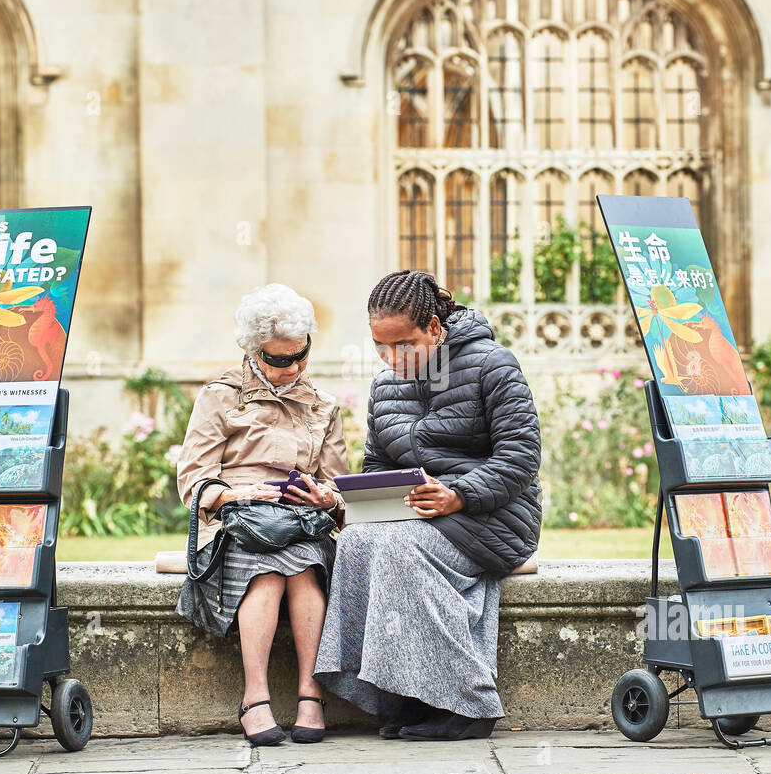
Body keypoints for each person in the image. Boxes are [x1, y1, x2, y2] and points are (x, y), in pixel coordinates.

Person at [314, 270, 542, 741]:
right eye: (380, 346)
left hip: (493, 517)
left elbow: (520, 456)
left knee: (400, 547)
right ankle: (399, 695)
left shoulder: (493, 366)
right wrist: (356, 501)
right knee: (356, 542)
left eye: (402, 345)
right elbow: (377, 462)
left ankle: (468, 705)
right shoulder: (385, 387)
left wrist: (459, 494)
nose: (390, 358)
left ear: (435, 329)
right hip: (416, 513)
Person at [174, 283, 346, 746]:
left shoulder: (324, 405)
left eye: (301, 355)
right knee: (269, 572)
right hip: (239, 525)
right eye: (279, 359)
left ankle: (311, 692)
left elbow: (339, 485)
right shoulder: (221, 396)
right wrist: (240, 494)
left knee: (306, 567)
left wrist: (324, 498)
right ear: (253, 352)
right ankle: (255, 698)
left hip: (301, 523)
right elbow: (193, 481)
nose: (293, 367)